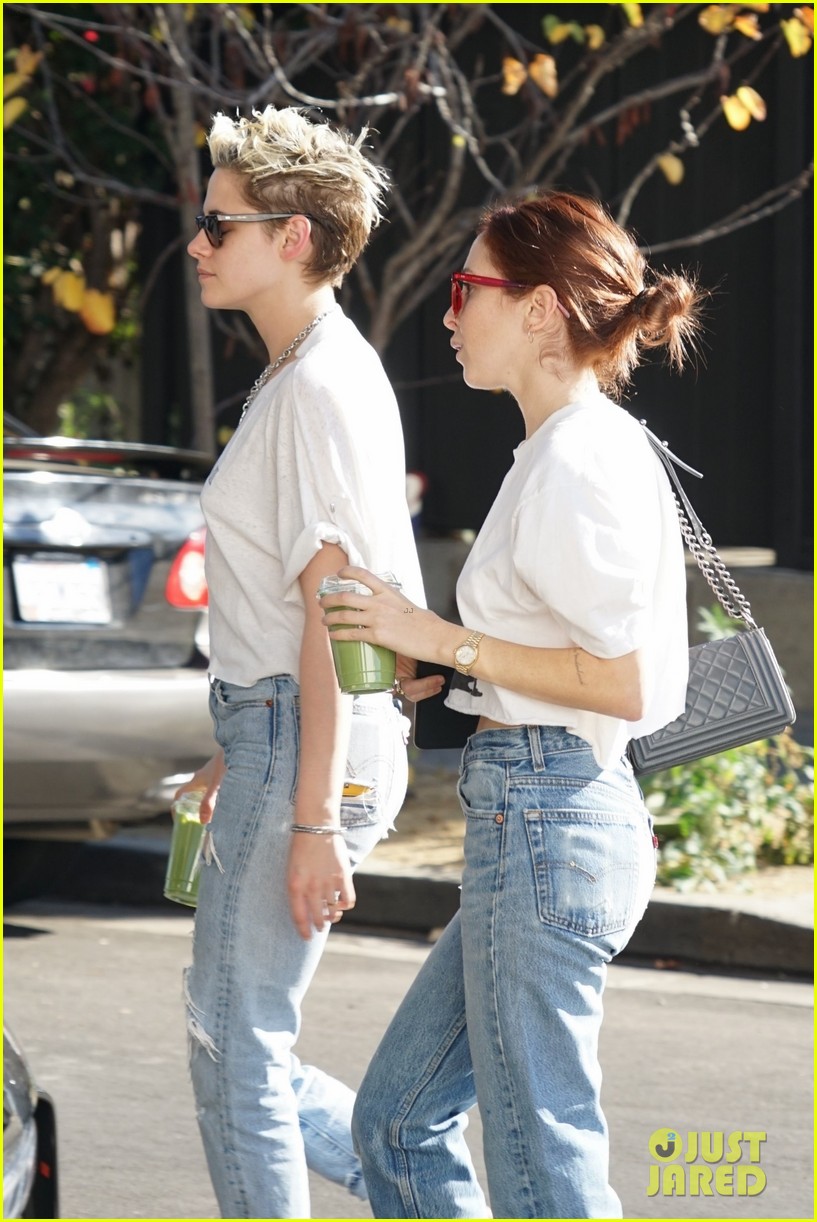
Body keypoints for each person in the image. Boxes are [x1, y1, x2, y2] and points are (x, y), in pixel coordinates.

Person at [321, 190, 705, 1219]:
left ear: (539, 309)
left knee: (542, 1163)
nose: (448, 315)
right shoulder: (558, 449)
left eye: (464, 289)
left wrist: (436, 637)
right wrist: (458, 675)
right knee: (397, 1124)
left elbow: (619, 680)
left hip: (550, 814)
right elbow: (564, 647)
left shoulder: (580, 454)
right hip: (534, 811)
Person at [178, 105, 431, 1219]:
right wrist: (240, 750)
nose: (195, 242)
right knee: (241, 1042)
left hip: (301, 741)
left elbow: (340, 614)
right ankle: (428, 1191)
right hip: (276, 737)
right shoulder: (299, 376)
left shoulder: (322, 384)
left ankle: (428, 1187)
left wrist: (313, 815)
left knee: (235, 1045)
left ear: (292, 237)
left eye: (217, 223)